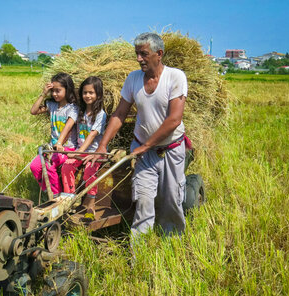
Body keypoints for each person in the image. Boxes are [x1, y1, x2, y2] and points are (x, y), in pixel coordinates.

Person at [86, 32, 189, 237]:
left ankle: (171, 242)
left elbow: (174, 120)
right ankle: (139, 251)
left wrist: (147, 145)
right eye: (137, 54)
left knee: (171, 201)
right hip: (143, 152)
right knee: (143, 200)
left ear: (159, 54)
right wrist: (103, 145)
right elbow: (120, 114)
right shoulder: (133, 79)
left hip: (170, 150)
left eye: (143, 54)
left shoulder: (175, 77)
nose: (138, 59)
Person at [61, 76, 107, 220]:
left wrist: (79, 152)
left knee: (89, 171)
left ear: (98, 95)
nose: (87, 96)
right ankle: (70, 201)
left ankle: (91, 206)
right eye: (85, 93)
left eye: (91, 93)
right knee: (66, 167)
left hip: (95, 152)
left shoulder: (100, 114)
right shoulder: (80, 112)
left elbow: (92, 135)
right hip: (80, 150)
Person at [30, 72, 79, 196]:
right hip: (54, 149)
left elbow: (68, 127)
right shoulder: (51, 105)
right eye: (53, 91)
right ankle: (48, 191)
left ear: (67, 90)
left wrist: (59, 143)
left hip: (66, 148)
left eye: (58, 91)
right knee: (34, 166)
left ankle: (56, 197)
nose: (55, 94)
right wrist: (43, 93)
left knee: (49, 166)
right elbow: (33, 111)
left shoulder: (73, 108)